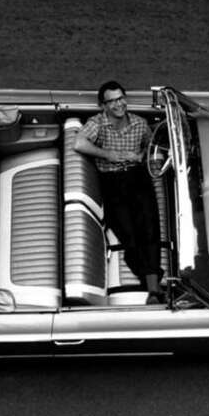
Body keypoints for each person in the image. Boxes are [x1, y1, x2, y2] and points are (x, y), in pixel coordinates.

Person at [73, 81, 164, 304]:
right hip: (112, 181)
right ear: (103, 105)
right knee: (128, 234)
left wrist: (142, 157)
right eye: (112, 101)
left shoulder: (140, 124)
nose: (118, 104)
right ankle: (151, 283)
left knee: (150, 228)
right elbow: (79, 143)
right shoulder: (98, 123)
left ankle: (153, 289)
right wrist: (109, 154)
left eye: (121, 98)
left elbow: (151, 147)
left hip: (138, 177)